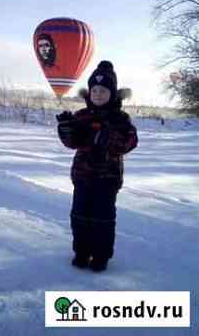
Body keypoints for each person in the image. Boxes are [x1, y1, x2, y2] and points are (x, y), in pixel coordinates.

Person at [56, 61, 138, 272]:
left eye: (103, 90)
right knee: (79, 215)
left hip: (107, 179)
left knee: (103, 219)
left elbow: (130, 142)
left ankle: (101, 256)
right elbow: (72, 143)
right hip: (83, 176)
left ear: (112, 93)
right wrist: (66, 130)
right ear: (89, 92)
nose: (99, 94)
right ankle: (81, 252)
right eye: (95, 90)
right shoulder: (81, 116)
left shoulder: (120, 118)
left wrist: (108, 139)